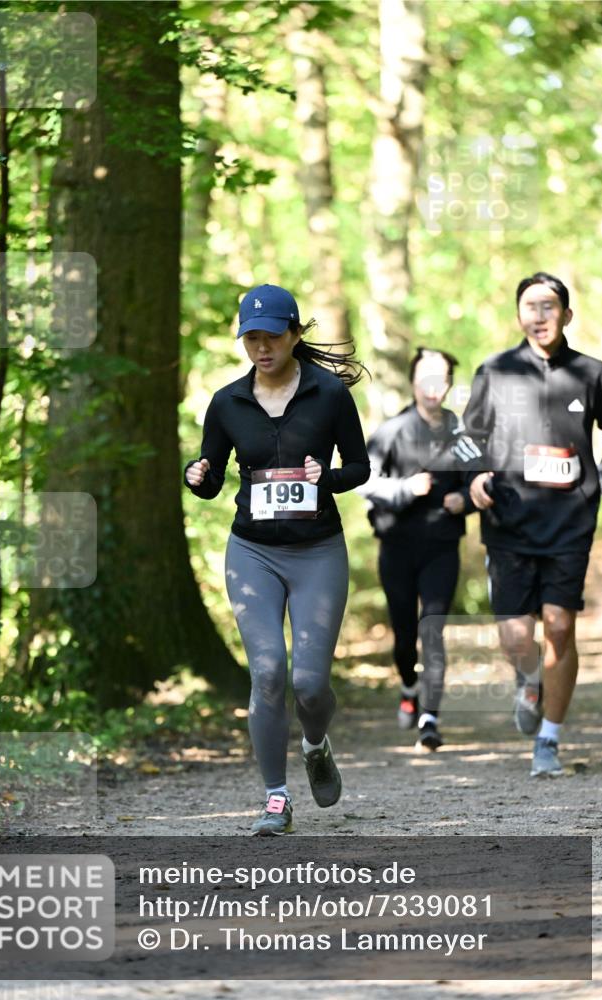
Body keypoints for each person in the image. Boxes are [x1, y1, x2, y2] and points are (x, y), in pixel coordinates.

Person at [184, 284, 370, 835]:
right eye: (251, 338)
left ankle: (315, 744)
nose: (261, 348)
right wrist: (198, 475)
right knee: (268, 673)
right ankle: (275, 797)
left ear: (293, 334)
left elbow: (358, 468)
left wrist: (325, 479)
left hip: (317, 553)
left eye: (271, 336)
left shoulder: (330, 395)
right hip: (253, 554)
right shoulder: (227, 402)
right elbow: (212, 478)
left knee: (310, 685)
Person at [456, 272, 602, 777]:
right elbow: (467, 439)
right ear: (519, 314)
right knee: (516, 638)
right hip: (508, 521)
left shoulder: (591, 373)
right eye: (530, 306)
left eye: (550, 306)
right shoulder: (496, 371)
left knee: (561, 628)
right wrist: (473, 477)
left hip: (571, 520)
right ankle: (529, 682)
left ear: (567, 315)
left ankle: (548, 739)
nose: (540, 315)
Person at [357, 348, 475, 751]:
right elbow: (365, 482)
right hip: (397, 547)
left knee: (434, 629)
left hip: (442, 546)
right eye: (425, 376)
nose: (432, 386)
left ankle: (430, 719)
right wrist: (406, 489)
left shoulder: (462, 434)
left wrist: (466, 499)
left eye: (441, 378)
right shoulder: (392, 430)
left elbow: (480, 482)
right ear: (412, 381)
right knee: (405, 635)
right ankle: (409, 686)